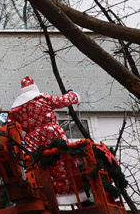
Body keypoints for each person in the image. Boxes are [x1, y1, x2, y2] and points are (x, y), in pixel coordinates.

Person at [7, 76, 85, 204]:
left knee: (37, 166)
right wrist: (74, 95)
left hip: (32, 139)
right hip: (51, 133)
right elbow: (61, 100)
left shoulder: (15, 109)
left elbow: (10, 127)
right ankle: (70, 193)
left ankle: (44, 194)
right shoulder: (42, 98)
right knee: (64, 161)